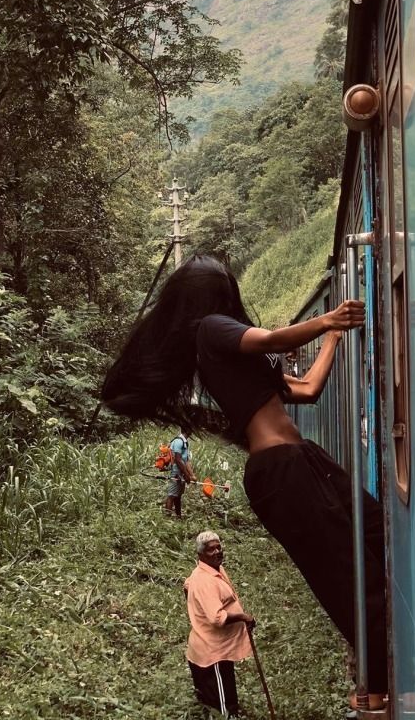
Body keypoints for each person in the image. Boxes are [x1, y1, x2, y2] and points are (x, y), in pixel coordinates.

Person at [102, 255, 388, 709]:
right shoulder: (211, 328)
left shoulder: (232, 357)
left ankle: (378, 675)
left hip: (299, 459)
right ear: (218, 294)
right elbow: (273, 337)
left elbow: (309, 390)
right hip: (282, 470)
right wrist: (327, 318)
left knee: (378, 532)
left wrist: (332, 336)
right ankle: (375, 691)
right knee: (349, 576)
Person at [184, 531, 254, 718]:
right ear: (200, 555)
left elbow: (187, 584)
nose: (217, 552)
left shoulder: (213, 569)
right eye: (210, 550)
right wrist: (242, 617)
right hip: (211, 652)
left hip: (221, 648)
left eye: (218, 547)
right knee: (221, 707)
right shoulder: (205, 580)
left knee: (224, 692)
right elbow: (217, 618)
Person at [165, 431, 196, 518]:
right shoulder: (179, 441)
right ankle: (167, 518)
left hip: (181, 472)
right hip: (176, 472)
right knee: (171, 495)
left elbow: (186, 461)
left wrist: (192, 475)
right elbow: (178, 460)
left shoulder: (185, 442)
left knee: (178, 495)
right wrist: (186, 475)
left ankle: (179, 516)